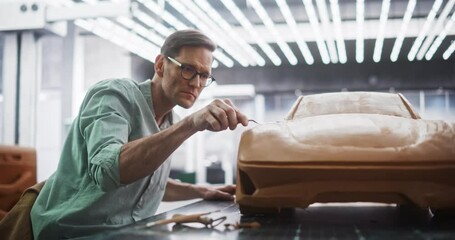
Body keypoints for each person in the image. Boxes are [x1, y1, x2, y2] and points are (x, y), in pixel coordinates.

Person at [30, 29, 249, 239]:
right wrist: (191, 124)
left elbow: (148, 185)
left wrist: (201, 191)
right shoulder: (113, 95)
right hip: (74, 233)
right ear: (161, 65)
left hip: (128, 233)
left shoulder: (170, 123)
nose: (196, 83)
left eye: (204, 75)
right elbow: (108, 172)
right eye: (188, 69)